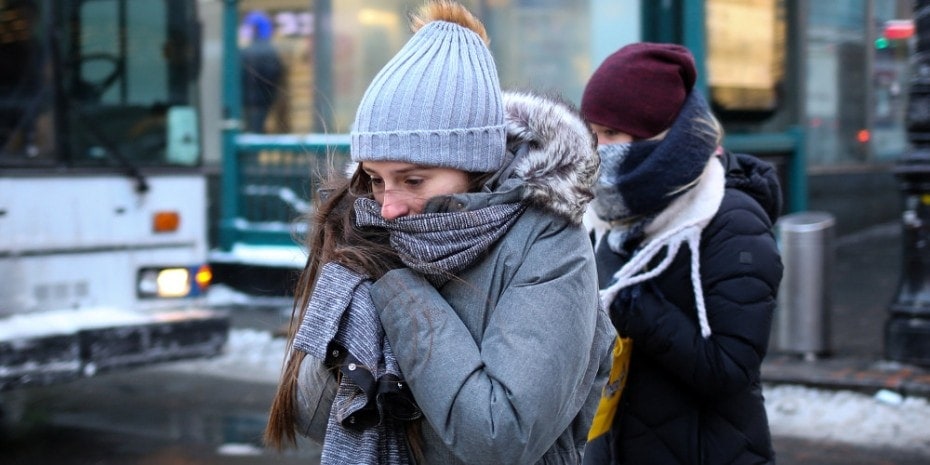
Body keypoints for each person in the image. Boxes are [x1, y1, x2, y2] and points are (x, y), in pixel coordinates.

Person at [264, 1, 612, 464]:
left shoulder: (548, 243)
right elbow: (310, 415)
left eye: (413, 180)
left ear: (475, 166)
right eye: (376, 178)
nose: (388, 206)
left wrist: (398, 289)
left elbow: (498, 437)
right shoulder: (375, 230)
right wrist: (350, 294)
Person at [579, 42, 784, 465]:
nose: (596, 149)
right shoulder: (604, 218)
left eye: (611, 134)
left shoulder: (732, 221)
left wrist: (634, 307)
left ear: (658, 137)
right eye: (591, 132)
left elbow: (730, 369)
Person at [240, 10, 283, 133]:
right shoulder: (268, 51)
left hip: (252, 102)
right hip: (260, 102)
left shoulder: (251, 51)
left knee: (251, 132)